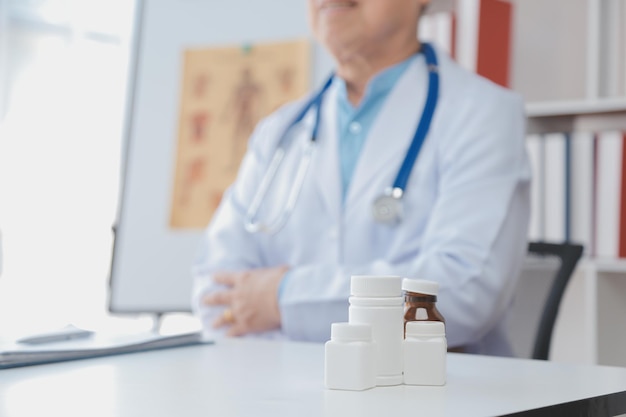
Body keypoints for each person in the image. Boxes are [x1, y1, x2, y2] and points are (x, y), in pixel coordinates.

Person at [192, 0, 531, 356]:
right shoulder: (279, 132)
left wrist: (281, 298)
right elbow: (215, 298)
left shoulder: (482, 115)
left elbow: (462, 295)